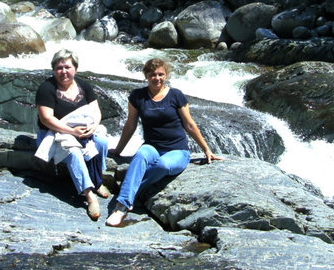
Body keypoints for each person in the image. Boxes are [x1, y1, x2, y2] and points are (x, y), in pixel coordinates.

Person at [106, 58, 223, 227]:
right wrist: (118, 150)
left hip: (177, 150)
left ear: (166, 75)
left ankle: (131, 191)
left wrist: (207, 150)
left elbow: (189, 124)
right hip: (152, 146)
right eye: (152, 74)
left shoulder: (176, 95)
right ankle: (121, 206)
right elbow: (130, 125)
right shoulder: (137, 96)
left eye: (161, 74)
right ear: (146, 76)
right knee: (140, 156)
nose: (157, 78)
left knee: (163, 166)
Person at [35, 49, 109, 220]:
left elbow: (96, 111)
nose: (63, 72)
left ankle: (98, 180)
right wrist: (72, 131)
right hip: (53, 134)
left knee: (102, 142)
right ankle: (90, 196)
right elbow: (46, 119)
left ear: (75, 68)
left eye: (67, 67)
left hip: (82, 129)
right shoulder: (47, 88)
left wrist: (94, 126)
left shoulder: (84, 85)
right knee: (74, 152)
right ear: (54, 70)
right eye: (59, 68)